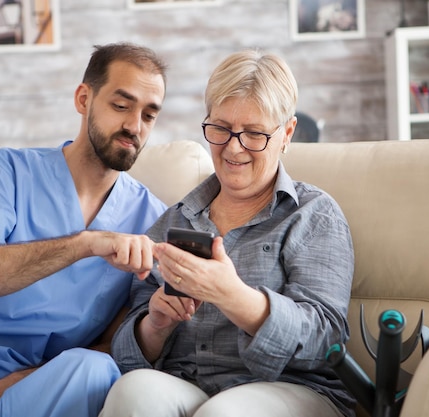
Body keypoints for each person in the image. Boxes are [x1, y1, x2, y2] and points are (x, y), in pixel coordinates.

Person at [0, 42, 168, 417]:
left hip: (41, 387)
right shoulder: (6, 171)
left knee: (96, 370)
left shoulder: (152, 220)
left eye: (149, 115)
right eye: (121, 106)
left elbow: (114, 344)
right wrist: (85, 244)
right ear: (83, 99)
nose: (134, 126)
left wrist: (17, 383)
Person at [100, 49, 355, 417]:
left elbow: (325, 339)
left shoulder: (313, 215)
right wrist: (154, 323)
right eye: (220, 128)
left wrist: (234, 296)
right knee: (132, 392)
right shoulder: (175, 222)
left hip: (290, 390)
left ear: (286, 133)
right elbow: (125, 353)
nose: (234, 148)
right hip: (186, 383)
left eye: (254, 133)